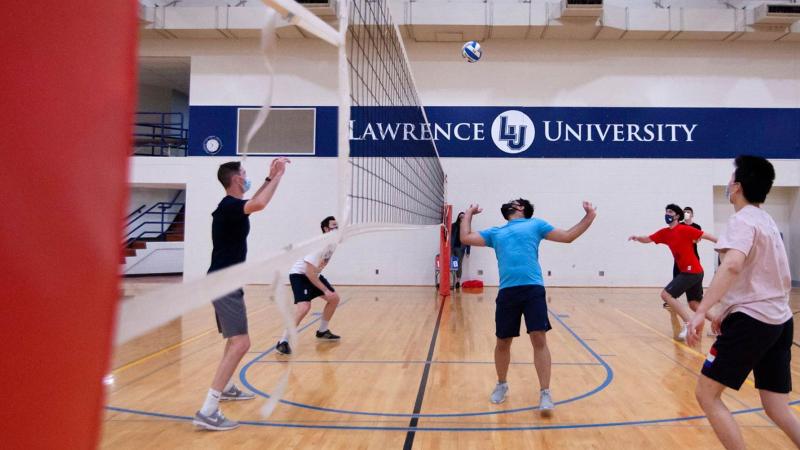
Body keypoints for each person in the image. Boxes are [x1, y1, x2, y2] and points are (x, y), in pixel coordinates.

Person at [687, 156, 800, 450]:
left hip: (753, 323)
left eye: (730, 180)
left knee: (707, 395)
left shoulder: (741, 221)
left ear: (736, 187)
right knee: (776, 406)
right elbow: (759, 277)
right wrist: (726, 310)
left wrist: (701, 311)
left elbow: (734, 265)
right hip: (780, 320)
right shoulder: (767, 221)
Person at [460, 198, 597, 416]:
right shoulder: (496, 232)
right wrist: (468, 214)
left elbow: (568, 236)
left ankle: (545, 392)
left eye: (513, 202)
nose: (508, 203)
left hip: (533, 289)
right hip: (507, 291)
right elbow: (465, 237)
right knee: (503, 341)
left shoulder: (536, 224)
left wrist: (589, 217)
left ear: (521, 208)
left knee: (539, 338)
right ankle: (502, 384)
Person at [193, 158, 290, 431]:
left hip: (225, 281)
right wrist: (279, 176)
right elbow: (260, 204)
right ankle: (208, 410)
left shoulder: (233, 207)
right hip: (223, 283)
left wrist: (270, 178)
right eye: (245, 174)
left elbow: (254, 201)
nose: (247, 178)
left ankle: (226, 387)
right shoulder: (229, 207)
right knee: (241, 343)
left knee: (233, 340)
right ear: (236, 179)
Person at [629, 204, 717, 341]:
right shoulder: (665, 233)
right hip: (695, 272)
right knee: (694, 304)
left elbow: (706, 235)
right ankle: (721, 323)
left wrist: (725, 244)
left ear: (677, 215)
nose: (667, 214)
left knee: (666, 295)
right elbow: (648, 239)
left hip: (691, 271)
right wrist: (637, 238)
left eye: (670, 212)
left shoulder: (685, 229)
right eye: (666, 212)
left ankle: (689, 324)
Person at [276, 216, 341, 355]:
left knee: (334, 298)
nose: (337, 228)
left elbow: (319, 267)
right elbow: (308, 272)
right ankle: (283, 341)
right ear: (326, 229)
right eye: (333, 226)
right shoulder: (319, 245)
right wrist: (324, 289)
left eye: (337, 226)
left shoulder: (333, 243)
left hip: (313, 274)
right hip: (300, 275)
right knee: (304, 307)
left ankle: (322, 331)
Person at [450, 211, 471, 289]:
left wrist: (468, 251)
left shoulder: (467, 227)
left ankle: (458, 281)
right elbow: (449, 236)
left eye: (463, 216)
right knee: (453, 264)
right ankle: (454, 280)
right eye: (460, 216)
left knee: (458, 264)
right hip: (452, 248)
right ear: (458, 217)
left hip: (460, 249)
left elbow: (469, 239)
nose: (461, 217)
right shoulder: (453, 226)